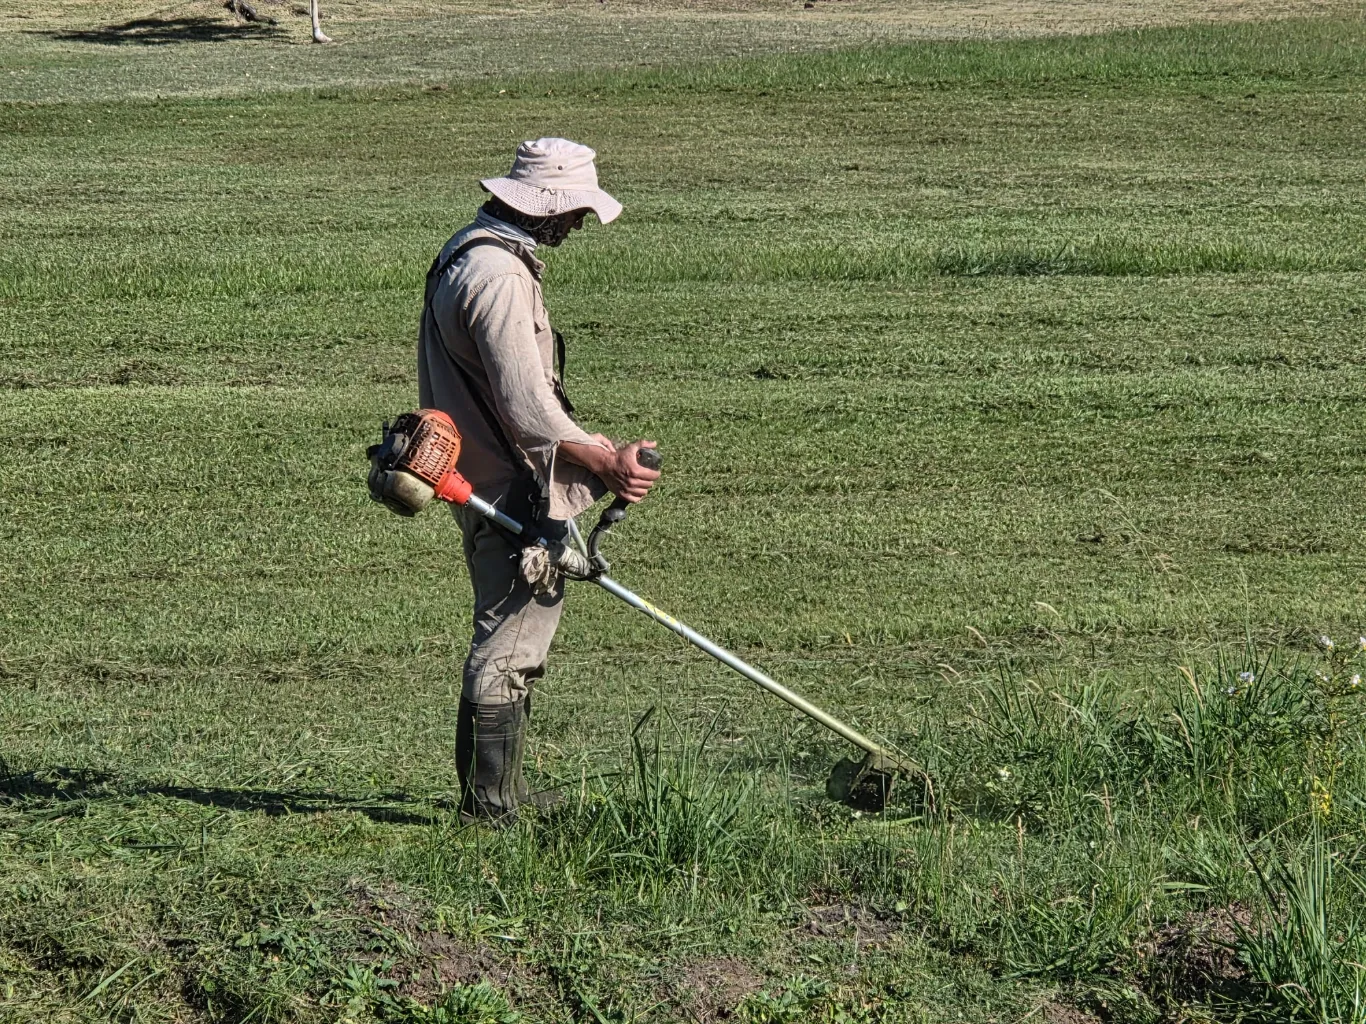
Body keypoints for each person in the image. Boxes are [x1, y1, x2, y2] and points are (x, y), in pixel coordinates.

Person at [417, 137, 661, 824]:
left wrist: (589, 453)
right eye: (575, 209)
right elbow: (527, 407)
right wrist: (603, 461)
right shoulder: (498, 277)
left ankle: (501, 793)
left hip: (482, 475)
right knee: (509, 640)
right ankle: (490, 809)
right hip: (508, 488)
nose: (580, 223)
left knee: (513, 632)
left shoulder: (468, 249)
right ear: (543, 206)